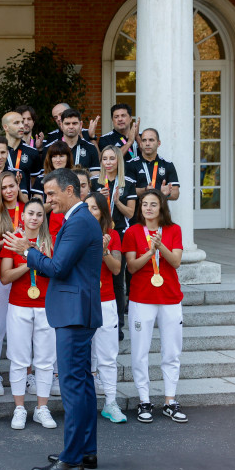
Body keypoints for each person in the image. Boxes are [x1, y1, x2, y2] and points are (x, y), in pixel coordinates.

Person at [5, 168, 103, 470]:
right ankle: (86, 451)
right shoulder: (81, 219)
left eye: (51, 194)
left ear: (70, 191)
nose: (48, 201)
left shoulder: (78, 222)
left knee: (74, 388)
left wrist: (27, 251)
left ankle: (71, 459)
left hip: (74, 314)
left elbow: (58, 267)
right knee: (84, 385)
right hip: (78, 311)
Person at [124, 189, 186, 424]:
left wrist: (160, 247)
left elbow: (176, 261)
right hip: (142, 298)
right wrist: (150, 251)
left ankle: (170, 400)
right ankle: (144, 400)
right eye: (145, 204)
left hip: (170, 297)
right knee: (140, 353)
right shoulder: (132, 232)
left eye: (153, 204)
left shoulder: (174, 230)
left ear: (161, 208)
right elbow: (131, 267)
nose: (148, 208)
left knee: (171, 351)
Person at [0, 197, 58, 430]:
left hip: (46, 305)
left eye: (39, 214)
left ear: (44, 218)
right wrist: (31, 260)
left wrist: (42, 257)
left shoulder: (51, 240)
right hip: (19, 304)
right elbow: (5, 277)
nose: (34, 218)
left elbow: (56, 272)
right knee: (19, 358)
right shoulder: (13, 241)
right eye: (30, 213)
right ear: (22, 216)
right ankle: (20, 408)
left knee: (44, 359)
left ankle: (42, 408)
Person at [84, 192, 128, 423]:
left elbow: (116, 269)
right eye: (87, 207)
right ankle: (86, 403)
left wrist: (104, 251)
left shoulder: (112, 235)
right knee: (83, 357)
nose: (90, 211)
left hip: (106, 301)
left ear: (102, 211)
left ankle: (110, 402)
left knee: (108, 355)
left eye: (95, 208)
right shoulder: (77, 232)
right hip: (82, 300)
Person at [0, 170, 25, 394]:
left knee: (22, 329)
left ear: (18, 185)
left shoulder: (27, 209)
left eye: (12, 186)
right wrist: (10, 240)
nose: (9, 191)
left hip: (24, 274)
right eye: (4, 187)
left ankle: (27, 375)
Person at [91, 145, 137, 334]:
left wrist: (117, 201)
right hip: (97, 232)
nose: (108, 163)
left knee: (118, 279)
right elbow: (90, 208)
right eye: (105, 159)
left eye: (112, 158)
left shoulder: (127, 182)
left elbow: (131, 213)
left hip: (119, 232)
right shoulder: (95, 182)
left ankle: (118, 322)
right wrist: (100, 200)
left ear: (119, 160)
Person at [129, 128, 180, 200]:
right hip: (139, 210)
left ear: (158, 143)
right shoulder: (131, 164)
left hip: (160, 211)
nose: (147, 143)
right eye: (144, 140)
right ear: (141, 144)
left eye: (151, 140)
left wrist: (166, 194)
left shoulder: (168, 165)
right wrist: (145, 190)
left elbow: (176, 194)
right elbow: (127, 191)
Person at [1, 112, 40, 193]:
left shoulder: (32, 152)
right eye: (16, 123)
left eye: (22, 122)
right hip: (0, 203)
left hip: (24, 202)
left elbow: (34, 180)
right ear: (6, 127)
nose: (22, 126)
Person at [57, 108, 100, 174]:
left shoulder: (90, 148)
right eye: (67, 124)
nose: (71, 127)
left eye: (74, 123)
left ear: (80, 125)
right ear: (61, 125)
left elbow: (95, 175)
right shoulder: (52, 148)